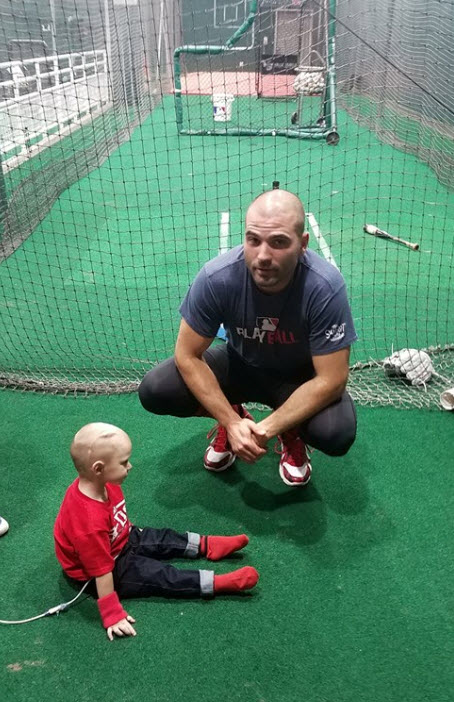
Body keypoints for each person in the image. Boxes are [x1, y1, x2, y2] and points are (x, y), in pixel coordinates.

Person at [139, 189, 357, 486]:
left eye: (279, 242)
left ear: (303, 244)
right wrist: (231, 422)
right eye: (253, 240)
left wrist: (266, 429)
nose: (263, 255)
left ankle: (290, 431)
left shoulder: (324, 287)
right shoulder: (218, 278)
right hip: (239, 364)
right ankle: (235, 413)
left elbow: (332, 379)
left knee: (335, 433)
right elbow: (187, 355)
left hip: (298, 378)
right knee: (157, 389)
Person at [54, 423, 259, 641]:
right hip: (102, 569)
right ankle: (217, 583)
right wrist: (112, 615)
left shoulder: (104, 482)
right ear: (98, 468)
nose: (130, 466)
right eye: (124, 463)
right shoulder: (89, 522)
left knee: (161, 537)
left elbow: (114, 516)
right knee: (160, 574)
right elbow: (101, 571)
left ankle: (207, 545)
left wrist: (128, 532)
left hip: (118, 540)